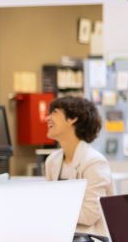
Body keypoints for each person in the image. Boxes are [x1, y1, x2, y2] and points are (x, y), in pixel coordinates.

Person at [43, 96, 114, 234]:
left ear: (72, 119)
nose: (47, 118)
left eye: (54, 112)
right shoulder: (52, 161)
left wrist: (52, 211)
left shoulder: (94, 162)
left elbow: (89, 214)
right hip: (61, 236)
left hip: (92, 241)